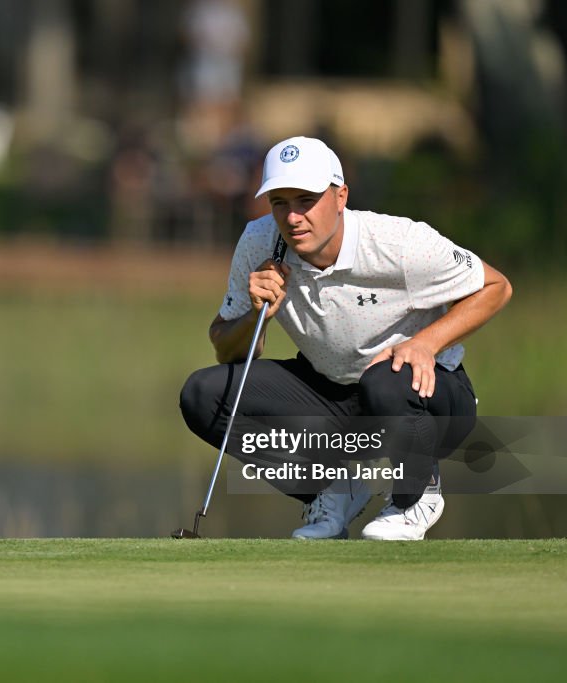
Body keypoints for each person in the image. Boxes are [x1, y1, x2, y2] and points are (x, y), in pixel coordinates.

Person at [179, 136, 512, 540]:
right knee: (202, 395)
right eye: (280, 202)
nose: (293, 217)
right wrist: (257, 315)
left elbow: (496, 287)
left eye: (306, 200)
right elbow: (224, 347)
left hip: (429, 399)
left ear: (341, 196)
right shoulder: (259, 242)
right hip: (332, 395)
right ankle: (331, 489)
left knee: (384, 379)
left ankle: (416, 496)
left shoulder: (399, 244)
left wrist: (425, 343)